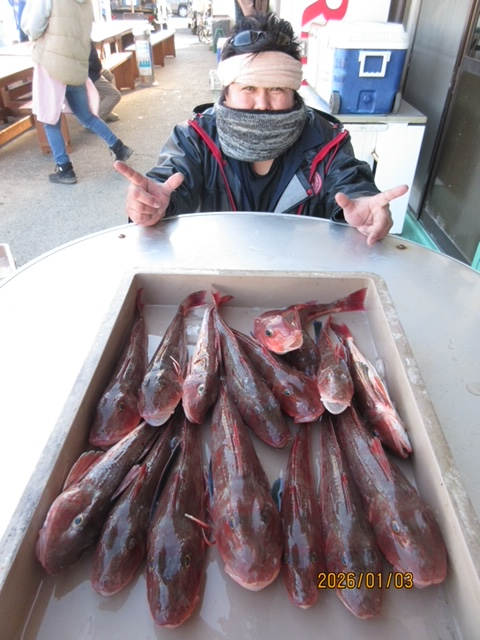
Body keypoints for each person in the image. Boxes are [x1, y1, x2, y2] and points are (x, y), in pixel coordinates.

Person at [114, 12, 408, 245]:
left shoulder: (327, 140)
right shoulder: (194, 137)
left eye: (277, 88)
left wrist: (362, 204)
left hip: (303, 273)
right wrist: (153, 204)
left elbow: (349, 182)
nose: (262, 104)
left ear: (294, 91)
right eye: (249, 88)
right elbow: (170, 182)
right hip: (218, 269)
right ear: (226, 91)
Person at [21, 0, 133, 185]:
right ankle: (118, 146)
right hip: (76, 66)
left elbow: (32, 27)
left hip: (51, 64)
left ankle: (64, 169)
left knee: (50, 120)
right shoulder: (87, 2)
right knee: (86, 116)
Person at [88, 42, 122, 122]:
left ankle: (105, 110)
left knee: (107, 74)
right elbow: (94, 62)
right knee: (115, 95)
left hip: (83, 70)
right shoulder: (83, 38)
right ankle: (92, 121)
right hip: (86, 75)